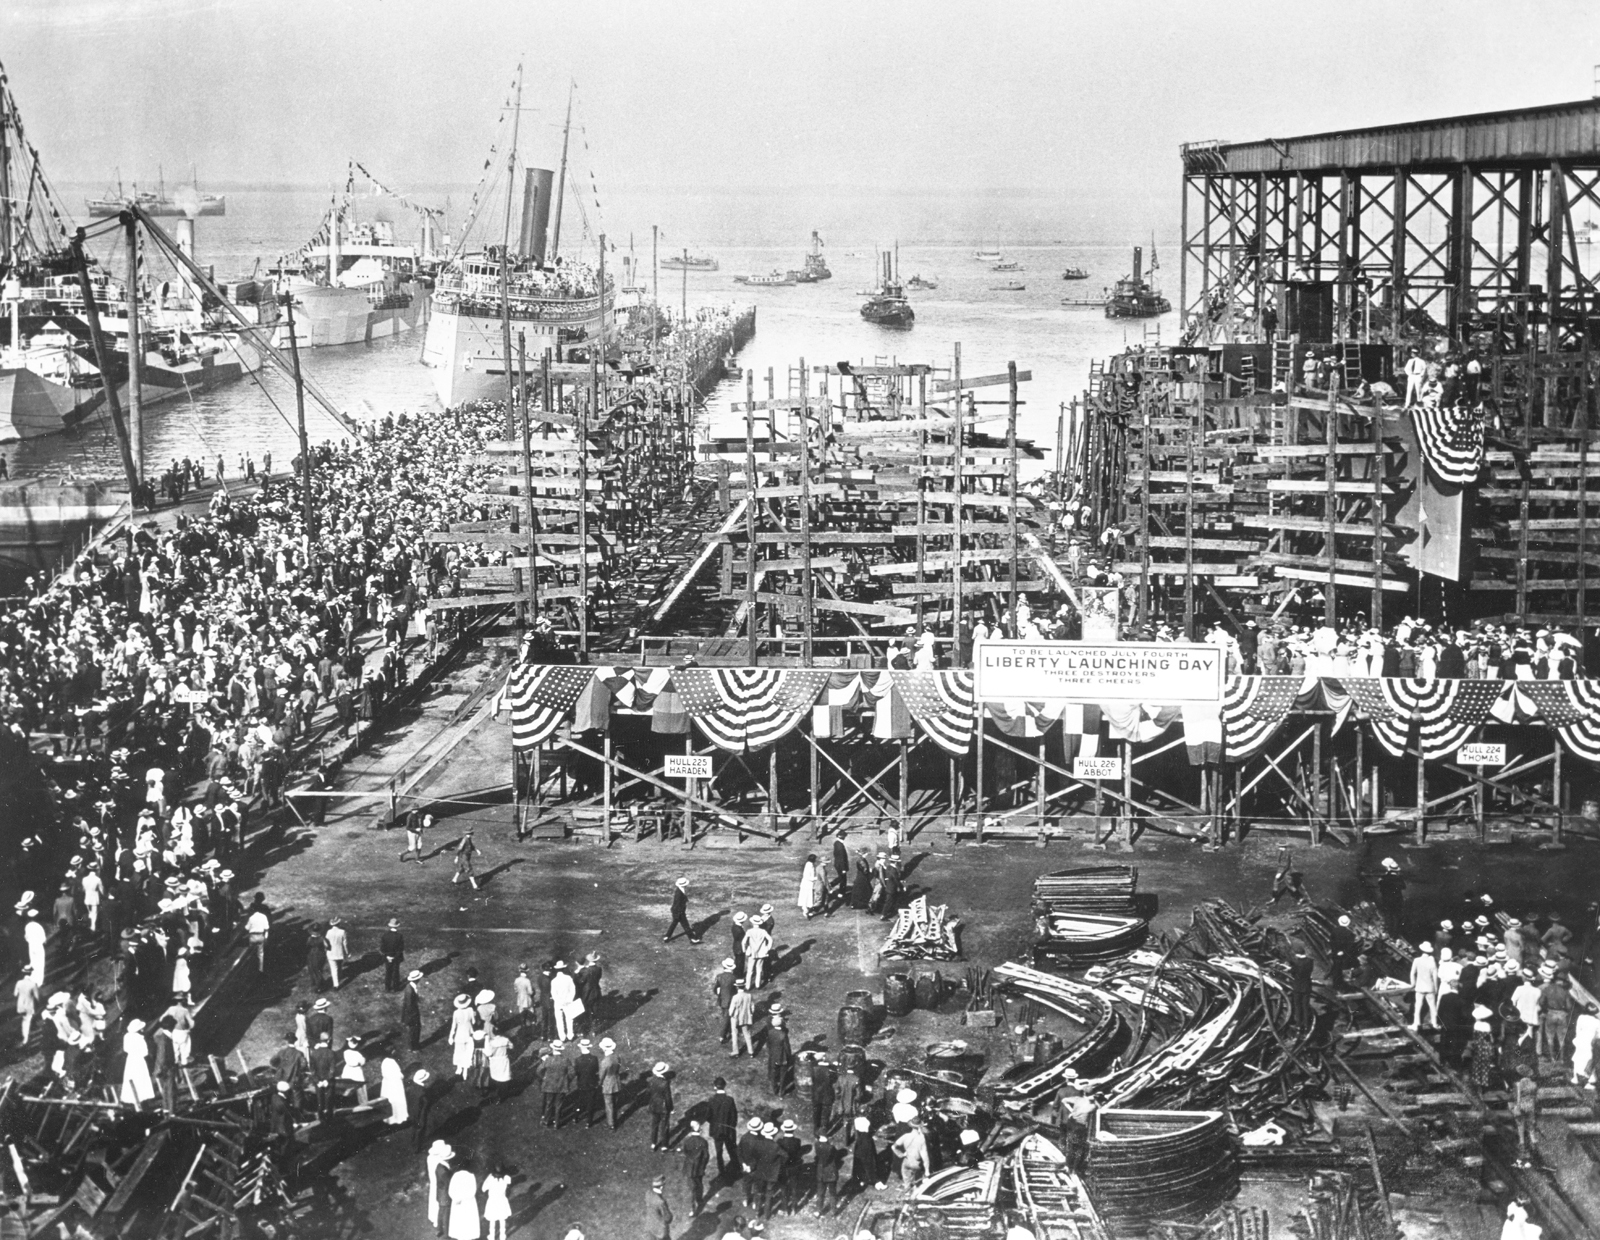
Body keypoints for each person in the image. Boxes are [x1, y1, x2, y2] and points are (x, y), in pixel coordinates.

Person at [707, 1076, 740, 1173]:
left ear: (715, 1087)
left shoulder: (711, 1100)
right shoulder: (730, 1100)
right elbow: (734, 1116)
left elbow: (708, 1116)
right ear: (724, 1086)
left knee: (719, 1150)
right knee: (731, 1149)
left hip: (716, 1130)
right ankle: (735, 1167)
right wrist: (731, 1126)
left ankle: (721, 1169)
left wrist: (714, 1124)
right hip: (728, 1130)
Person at [120, 1018, 154, 1105]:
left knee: (131, 1076)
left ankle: (131, 1098)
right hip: (139, 1059)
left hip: (130, 1059)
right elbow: (145, 1052)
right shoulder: (139, 1037)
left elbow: (125, 1049)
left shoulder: (126, 1036)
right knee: (140, 1077)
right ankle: (142, 1097)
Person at [681, 1118, 711, 1214]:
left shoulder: (687, 1141)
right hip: (699, 1168)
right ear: (700, 1130)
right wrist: (703, 1166)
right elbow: (706, 1156)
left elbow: (685, 1152)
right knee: (699, 1184)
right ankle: (700, 1199)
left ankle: (692, 1208)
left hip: (689, 1168)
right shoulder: (703, 1142)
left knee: (691, 1188)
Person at [891, 1118, 929, 1191]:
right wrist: (927, 1170)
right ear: (920, 1126)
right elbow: (925, 1156)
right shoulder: (921, 1138)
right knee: (918, 1183)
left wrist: (901, 1154)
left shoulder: (906, 1136)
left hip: (907, 1161)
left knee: (907, 1180)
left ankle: (907, 1191)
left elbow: (893, 1147)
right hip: (916, 1163)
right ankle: (915, 1192)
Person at [1512, 1063, 1539, 1166]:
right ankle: (1535, 1155)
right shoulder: (1534, 1084)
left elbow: (1518, 1098)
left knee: (1520, 1129)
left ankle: (1522, 1154)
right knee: (1531, 1130)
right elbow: (1535, 1098)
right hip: (1531, 1107)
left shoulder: (1519, 1084)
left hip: (1522, 1106)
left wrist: (1516, 1108)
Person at [426, 1140, 454, 1238]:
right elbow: (448, 1182)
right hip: (444, 1192)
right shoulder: (442, 1167)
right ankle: (446, 1233)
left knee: (440, 1210)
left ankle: (438, 1228)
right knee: (446, 1212)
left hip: (439, 1190)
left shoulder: (431, 1159)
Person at [812, 1130, 843, 1218]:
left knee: (820, 1192)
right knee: (832, 1192)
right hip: (831, 1172)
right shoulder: (831, 1147)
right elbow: (835, 1155)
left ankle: (818, 1210)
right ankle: (833, 1211)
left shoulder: (817, 1145)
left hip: (821, 1171)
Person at [1410, 943, 1440, 1030]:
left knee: (1418, 1005)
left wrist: (1413, 983)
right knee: (1432, 1006)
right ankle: (1434, 1023)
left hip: (1419, 986)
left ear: (1421, 950)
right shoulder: (1432, 962)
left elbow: (1412, 973)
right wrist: (1436, 988)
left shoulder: (1417, 960)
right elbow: (1435, 977)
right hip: (1430, 986)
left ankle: (1416, 1024)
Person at [447, 1166, 480, 1240]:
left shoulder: (455, 1176)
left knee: (460, 1221)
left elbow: (451, 1191)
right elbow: (472, 1191)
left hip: (459, 1203)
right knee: (467, 1221)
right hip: (468, 1202)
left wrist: (457, 1198)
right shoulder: (471, 1176)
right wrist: (462, 1198)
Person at [648, 1060, 675, 1151]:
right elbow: (668, 1097)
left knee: (654, 1125)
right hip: (663, 1108)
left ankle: (653, 1143)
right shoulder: (665, 1083)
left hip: (654, 1105)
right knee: (664, 1126)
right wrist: (670, 1108)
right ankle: (664, 1145)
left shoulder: (651, 1080)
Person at [664, 876, 699, 943]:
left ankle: (667, 936)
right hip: (679, 912)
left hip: (677, 911)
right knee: (685, 925)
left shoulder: (680, 889)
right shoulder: (679, 893)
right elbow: (677, 904)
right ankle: (693, 939)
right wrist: (679, 914)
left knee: (674, 923)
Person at [766, 1011, 793, 1096]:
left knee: (774, 1074)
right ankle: (781, 1092)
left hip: (774, 1057)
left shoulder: (770, 1032)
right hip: (782, 1058)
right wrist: (789, 1056)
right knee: (783, 1075)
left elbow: (768, 1044)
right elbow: (787, 1047)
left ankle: (774, 1090)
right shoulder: (783, 1035)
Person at [482, 1164, 512, 1240]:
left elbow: (483, 1188)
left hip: (492, 1201)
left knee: (492, 1219)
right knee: (502, 1219)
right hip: (502, 1200)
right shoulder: (506, 1178)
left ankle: (491, 1236)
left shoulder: (490, 1178)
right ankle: (503, 1236)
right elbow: (509, 1182)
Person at [742, 917, 772, 990]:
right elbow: (770, 940)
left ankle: (748, 986)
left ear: (753, 923)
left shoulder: (749, 931)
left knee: (750, 970)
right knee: (759, 969)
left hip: (752, 953)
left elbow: (743, 942)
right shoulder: (763, 931)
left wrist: (744, 950)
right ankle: (757, 985)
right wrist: (767, 948)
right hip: (761, 953)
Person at [550, 961, 579, 1040]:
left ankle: (562, 1037)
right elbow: (573, 989)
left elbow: (553, 994)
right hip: (568, 1002)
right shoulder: (568, 978)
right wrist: (569, 999)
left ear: (556, 970)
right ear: (563, 969)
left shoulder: (554, 981)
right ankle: (570, 1036)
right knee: (569, 1019)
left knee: (559, 1020)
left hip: (558, 1003)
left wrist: (559, 1001)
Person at [729, 980, 756, 1057]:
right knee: (747, 1034)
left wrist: (731, 1015)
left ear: (737, 987)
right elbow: (752, 1007)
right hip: (746, 1017)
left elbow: (731, 1011)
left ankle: (735, 1052)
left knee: (734, 1034)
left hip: (736, 1017)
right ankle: (751, 1052)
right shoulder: (749, 996)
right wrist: (750, 1013)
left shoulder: (735, 997)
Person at [14, 965, 39, 1047]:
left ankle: (25, 1036)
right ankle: (25, 1039)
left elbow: (15, 994)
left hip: (21, 1005)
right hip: (29, 1005)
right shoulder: (33, 984)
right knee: (26, 1022)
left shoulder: (18, 982)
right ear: (31, 973)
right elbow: (37, 997)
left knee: (24, 1020)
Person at [380, 1055, 408, 1125]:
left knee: (389, 1100)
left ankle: (390, 1117)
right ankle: (398, 1117)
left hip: (387, 1084)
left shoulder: (384, 1062)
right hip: (395, 1084)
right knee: (397, 1100)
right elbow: (398, 1074)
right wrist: (401, 1076)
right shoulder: (392, 1062)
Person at [644, 1174, 673, 1240]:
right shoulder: (661, 1201)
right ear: (661, 1187)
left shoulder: (648, 1194)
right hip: (661, 1231)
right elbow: (668, 1218)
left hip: (650, 1227)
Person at [245, 898, 270, 972]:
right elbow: (266, 928)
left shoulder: (251, 917)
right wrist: (265, 938)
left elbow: (247, 928)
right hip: (260, 936)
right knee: (261, 954)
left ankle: (251, 967)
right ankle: (260, 969)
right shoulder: (263, 917)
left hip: (252, 936)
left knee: (251, 952)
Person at [380, 919, 405, 992]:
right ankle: (395, 987)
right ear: (397, 926)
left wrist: (388, 956)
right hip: (396, 958)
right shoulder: (399, 936)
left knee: (388, 972)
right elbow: (401, 948)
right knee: (396, 972)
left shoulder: (385, 935)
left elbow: (382, 948)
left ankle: (387, 987)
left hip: (387, 957)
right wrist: (394, 956)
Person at [402, 969, 424, 1051]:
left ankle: (413, 1046)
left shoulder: (410, 987)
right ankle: (413, 1047)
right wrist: (412, 1017)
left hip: (411, 1013)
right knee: (414, 1030)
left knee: (414, 1030)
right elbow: (409, 1005)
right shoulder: (410, 990)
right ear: (417, 979)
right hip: (412, 1015)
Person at [324, 917, 349, 990]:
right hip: (340, 953)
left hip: (331, 953)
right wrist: (347, 952)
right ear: (339, 924)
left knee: (333, 969)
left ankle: (336, 985)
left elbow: (326, 942)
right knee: (339, 965)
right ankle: (340, 975)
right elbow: (345, 944)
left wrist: (326, 950)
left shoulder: (329, 932)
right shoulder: (342, 932)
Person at [798, 854, 824, 920]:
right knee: (806, 897)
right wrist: (816, 878)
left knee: (806, 897)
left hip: (807, 884)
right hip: (807, 884)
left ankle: (806, 909)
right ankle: (805, 911)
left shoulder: (809, 864)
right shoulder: (809, 865)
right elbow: (807, 877)